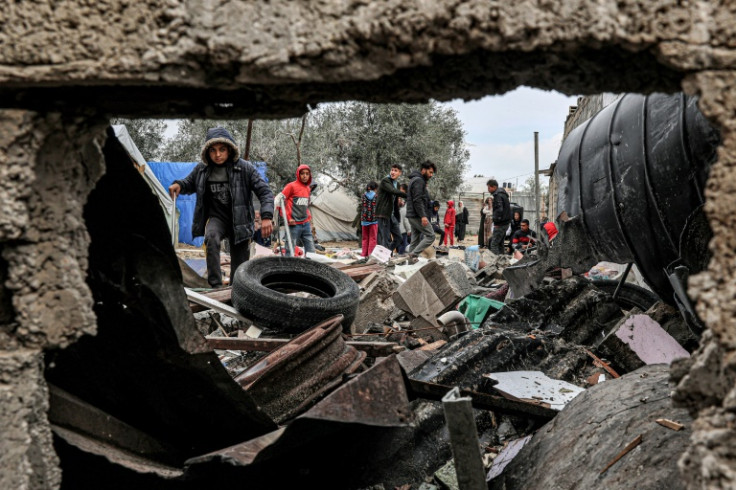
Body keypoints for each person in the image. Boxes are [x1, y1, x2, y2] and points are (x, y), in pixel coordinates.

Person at [168, 127, 274, 288]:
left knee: (239, 272)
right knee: (211, 237)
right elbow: (189, 183)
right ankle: (215, 286)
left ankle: (235, 291)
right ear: (207, 152)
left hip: (240, 222)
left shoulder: (245, 168)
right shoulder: (202, 169)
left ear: (229, 149)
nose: (218, 154)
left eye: (222, 149)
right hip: (217, 218)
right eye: (213, 150)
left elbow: (265, 192)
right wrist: (179, 185)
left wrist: (267, 216)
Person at [277, 164, 316, 256]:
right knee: (290, 250)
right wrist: (288, 218)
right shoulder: (291, 186)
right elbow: (280, 201)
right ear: (298, 174)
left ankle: (310, 269)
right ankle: (288, 269)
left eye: (307, 174)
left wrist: (309, 219)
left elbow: (305, 205)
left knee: (311, 251)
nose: (305, 176)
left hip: (305, 224)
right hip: (294, 225)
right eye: (302, 173)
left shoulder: (307, 188)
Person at [406, 160, 437, 259]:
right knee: (431, 236)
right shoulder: (419, 181)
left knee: (415, 241)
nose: (431, 175)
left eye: (432, 173)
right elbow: (417, 200)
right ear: (423, 170)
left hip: (413, 215)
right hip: (417, 215)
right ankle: (413, 254)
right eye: (430, 172)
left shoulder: (416, 180)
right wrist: (423, 216)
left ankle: (410, 263)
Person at [376, 164, 407, 254]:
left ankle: (386, 253)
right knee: (385, 238)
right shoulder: (385, 181)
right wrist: (408, 195)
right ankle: (384, 258)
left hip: (391, 215)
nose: (393, 172)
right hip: (383, 213)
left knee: (399, 238)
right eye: (392, 170)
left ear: (400, 173)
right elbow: (393, 191)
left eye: (395, 170)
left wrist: (397, 217)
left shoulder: (397, 184)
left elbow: (395, 201)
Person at [487, 179, 511, 255]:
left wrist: (495, 220)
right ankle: (502, 261)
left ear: (494, 187)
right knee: (500, 243)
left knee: (494, 244)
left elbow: (499, 210)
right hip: (505, 223)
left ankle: (496, 262)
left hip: (500, 224)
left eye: (489, 188)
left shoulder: (498, 195)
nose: (488, 190)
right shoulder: (503, 194)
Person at [360, 181, 379, 257]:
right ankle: (370, 254)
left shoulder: (363, 195)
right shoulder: (376, 196)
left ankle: (363, 254)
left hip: (364, 220)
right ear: (375, 188)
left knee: (365, 238)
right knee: (373, 238)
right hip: (374, 220)